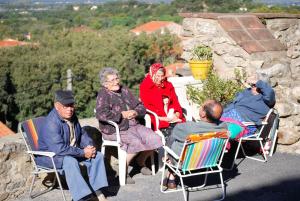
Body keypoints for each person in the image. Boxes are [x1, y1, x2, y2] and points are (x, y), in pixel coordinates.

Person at [36, 90, 108, 201]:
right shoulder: (51, 123)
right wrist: (83, 152)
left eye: (71, 105)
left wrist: (90, 147)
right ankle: (82, 197)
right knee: (70, 161)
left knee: (97, 155)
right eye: (66, 106)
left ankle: (97, 190)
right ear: (57, 106)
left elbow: (82, 134)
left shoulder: (72, 116)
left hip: (70, 152)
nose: (70, 109)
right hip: (50, 156)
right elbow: (59, 149)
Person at [95, 67, 163, 184]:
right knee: (136, 142)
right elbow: (101, 114)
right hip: (115, 129)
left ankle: (140, 162)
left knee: (156, 138)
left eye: (117, 79)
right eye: (112, 80)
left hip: (133, 125)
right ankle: (123, 170)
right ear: (105, 84)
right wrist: (121, 114)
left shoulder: (124, 90)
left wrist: (136, 112)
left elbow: (140, 106)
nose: (116, 82)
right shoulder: (103, 94)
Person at [163, 100, 228, 189]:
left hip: (186, 162)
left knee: (172, 140)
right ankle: (170, 177)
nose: (200, 107)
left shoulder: (188, 128)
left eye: (201, 106)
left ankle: (170, 176)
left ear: (203, 114)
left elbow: (175, 134)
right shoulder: (223, 127)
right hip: (208, 160)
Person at [139, 63, 185, 137]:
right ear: (152, 74)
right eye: (157, 76)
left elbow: (175, 102)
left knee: (185, 131)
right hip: (156, 118)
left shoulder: (168, 85)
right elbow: (147, 107)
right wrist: (164, 118)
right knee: (174, 134)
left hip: (171, 117)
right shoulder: (145, 87)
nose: (160, 79)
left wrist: (176, 114)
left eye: (162, 76)